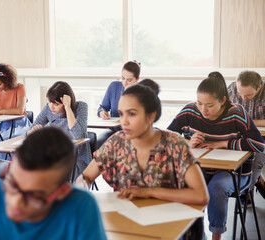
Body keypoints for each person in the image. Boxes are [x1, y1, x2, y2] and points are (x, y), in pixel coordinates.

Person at [0, 127, 106, 240]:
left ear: (62, 192)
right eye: (11, 183)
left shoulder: (80, 206)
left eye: (33, 195)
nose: (15, 201)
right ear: (10, 166)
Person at [168, 72, 265, 240]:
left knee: (216, 188)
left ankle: (216, 237)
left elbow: (259, 144)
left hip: (234, 173)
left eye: (210, 105)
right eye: (199, 103)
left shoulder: (237, 113)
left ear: (222, 101)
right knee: (186, 185)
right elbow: (164, 140)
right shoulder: (190, 111)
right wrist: (187, 144)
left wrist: (224, 144)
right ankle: (193, 233)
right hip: (201, 168)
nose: (203, 109)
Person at [78, 82, 209, 204]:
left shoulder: (174, 144)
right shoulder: (116, 142)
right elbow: (86, 177)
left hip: (168, 224)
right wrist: (79, 193)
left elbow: (201, 195)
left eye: (131, 114)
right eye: (121, 114)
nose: (123, 121)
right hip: (126, 222)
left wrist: (149, 192)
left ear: (151, 116)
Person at [27, 81, 91, 180]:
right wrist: (32, 132)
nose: (51, 106)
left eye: (56, 104)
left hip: (76, 160)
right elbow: (30, 129)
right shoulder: (49, 108)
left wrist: (68, 108)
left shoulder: (81, 107)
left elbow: (78, 136)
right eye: (49, 102)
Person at [228, 70, 265, 198]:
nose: (243, 98)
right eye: (240, 94)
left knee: (256, 162)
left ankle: (247, 189)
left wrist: (248, 121)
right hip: (239, 135)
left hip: (262, 138)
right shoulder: (232, 88)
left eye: (248, 95)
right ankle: (253, 183)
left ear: (259, 87)